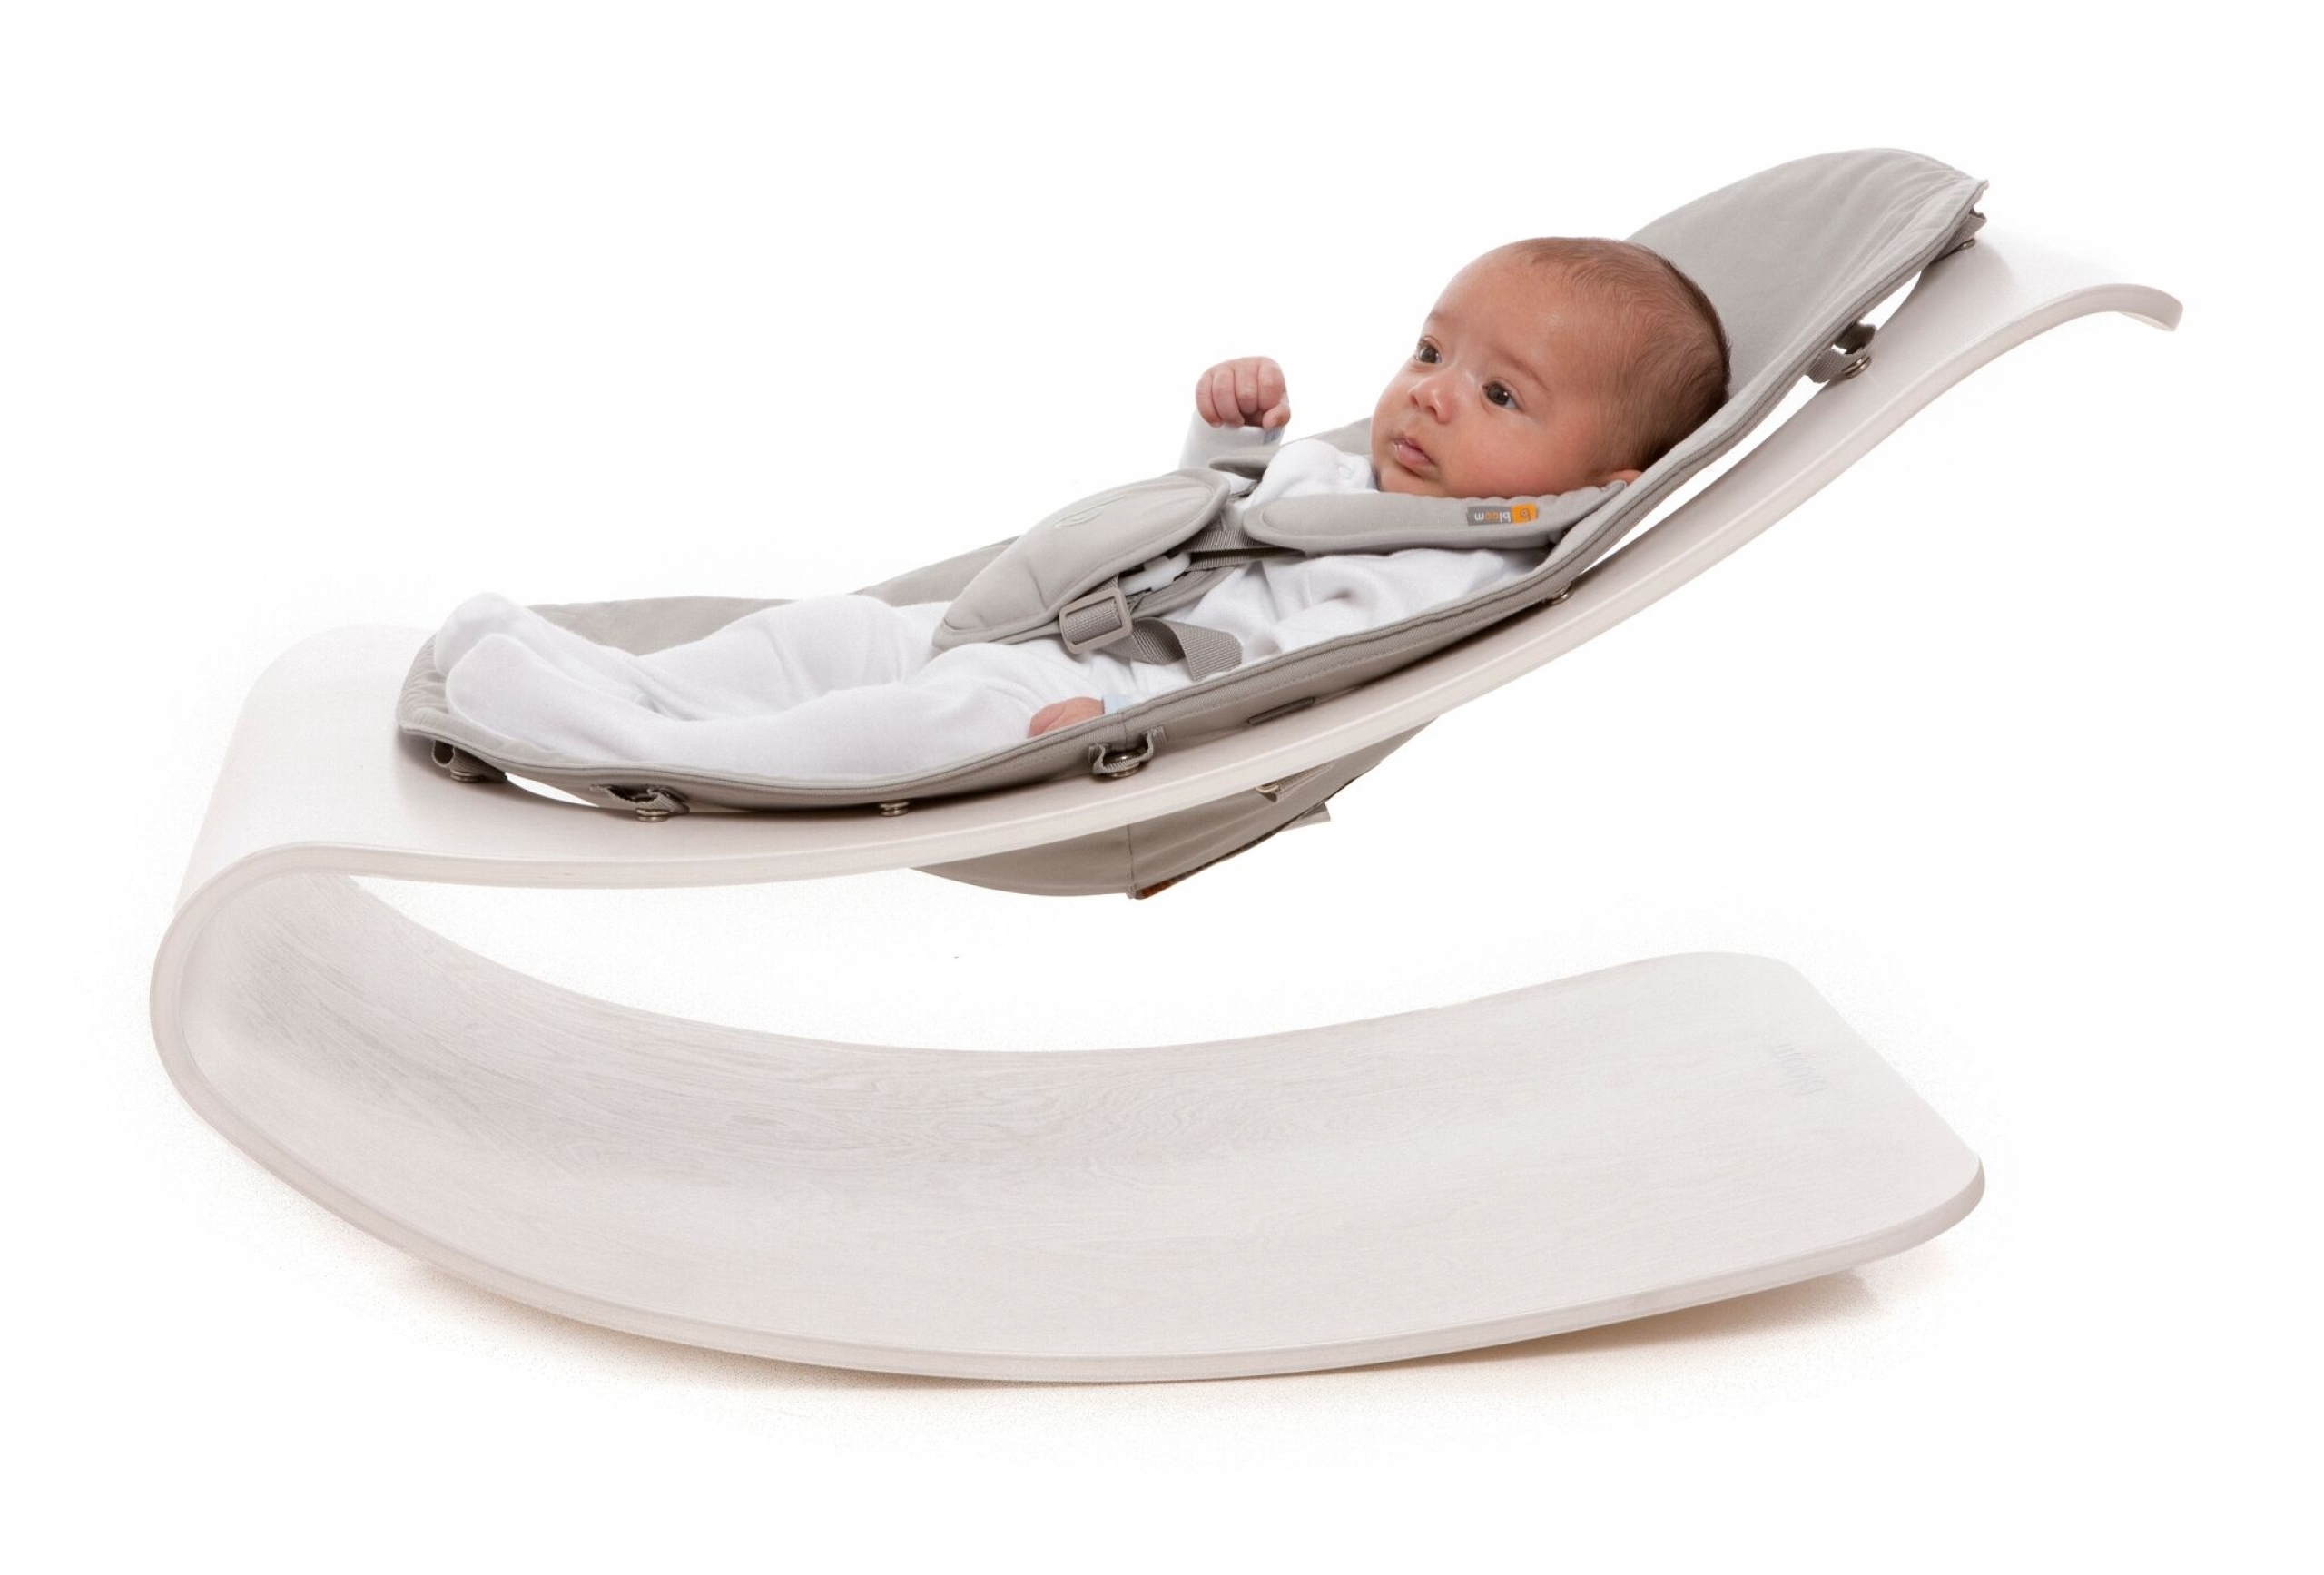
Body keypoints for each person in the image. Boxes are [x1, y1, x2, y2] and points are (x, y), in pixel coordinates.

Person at [432, 238, 1728, 782]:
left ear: (1592, 490)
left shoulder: (1452, 576)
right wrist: (1232, 444)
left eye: (1499, 393)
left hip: (1093, 705)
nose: (1432, 394)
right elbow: (1211, 528)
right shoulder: (1349, 479)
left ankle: (629, 749)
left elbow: (1296, 678)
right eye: (1431, 352)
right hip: (1032, 624)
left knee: (894, 726)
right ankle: (615, 679)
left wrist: (1134, 725)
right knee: (822, 633)